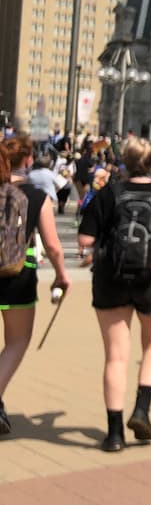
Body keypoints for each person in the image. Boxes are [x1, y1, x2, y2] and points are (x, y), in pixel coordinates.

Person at [77, 138, 151, 452]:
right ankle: (142, 409)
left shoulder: (107, 194)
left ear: (124, 162)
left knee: (116, 356)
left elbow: (86, 238)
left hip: (110, 278)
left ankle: (114, 433)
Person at [0, 140, 72, 435]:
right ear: (28, 159)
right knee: (17, 342)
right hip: (19, 276)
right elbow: (53, 246)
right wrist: (61, 275)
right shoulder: (37, 196)